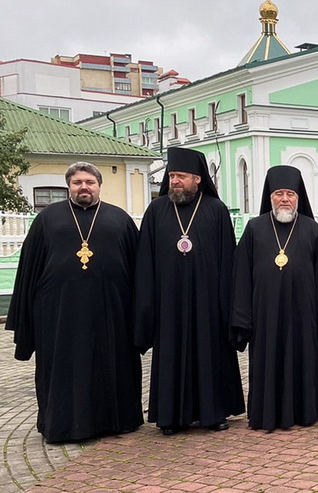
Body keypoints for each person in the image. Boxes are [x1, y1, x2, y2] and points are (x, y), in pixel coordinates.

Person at [5, 162, 142, 443]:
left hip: (111, 313)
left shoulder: (120, 219)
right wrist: (25, 316)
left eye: (89, 182)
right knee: (63, 368)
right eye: (78, 182)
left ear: (99, 186)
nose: (84, 187)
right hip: (59, 314)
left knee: (111, 364)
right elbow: (29, 269)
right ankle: (62, 424)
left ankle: (116, 421)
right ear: (69, 186)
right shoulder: (47, 220)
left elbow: (138, 270)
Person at [134, 147, 244, 435]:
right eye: (172, 176)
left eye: (181, 176)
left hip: (208, 302)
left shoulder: (215, 210)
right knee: (171, 354)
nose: (175, 182)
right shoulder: (156, 211)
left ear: (197, 178)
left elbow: (227, 260)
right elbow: (145, 260)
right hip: (168, 302)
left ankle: (213, 413)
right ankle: (171, 417)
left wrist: (226, 304)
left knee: (210, 354)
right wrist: (148, 303)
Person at [231, 166, 318, 430]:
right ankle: (267, 413)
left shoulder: (311, 229)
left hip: (302, 314)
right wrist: (243, 319)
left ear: (298, 198)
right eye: (279, 194)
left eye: (290, 194)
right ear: (270, 197)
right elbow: (241, 276)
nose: (285, 199)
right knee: (267, 361)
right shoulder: (254, 229)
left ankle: (304, 411)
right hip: (265, 316)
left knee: (302, 361)